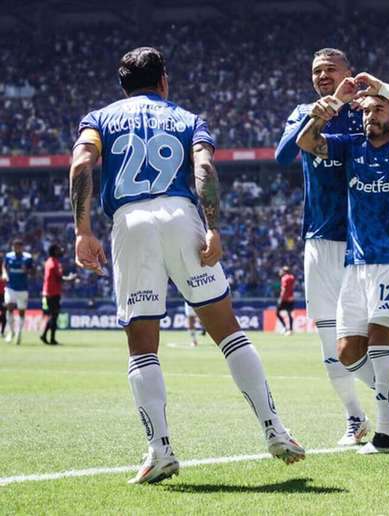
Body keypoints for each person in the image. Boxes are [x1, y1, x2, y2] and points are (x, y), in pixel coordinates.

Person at [70, 47, 305, 484]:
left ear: (122, 87)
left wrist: (82, 231)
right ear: (164, 81)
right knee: (227, 329)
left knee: (142, 345)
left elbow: (82, 161)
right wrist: (212, 227)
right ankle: (275, 429)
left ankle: (159, 450)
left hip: (130, 221)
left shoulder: (98, 117)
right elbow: (204, 167)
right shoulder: (187, 118)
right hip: (182, 215)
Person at [277, 48, 389, 446]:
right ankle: (362, 414)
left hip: (361, 240)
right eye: (316, 70)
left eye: (331, 69)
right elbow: (286, 155)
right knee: (337, 345)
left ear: (351, 73)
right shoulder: (311, 112)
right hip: (321, 238)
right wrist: (328, 106)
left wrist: (373, 99)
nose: (323, 76)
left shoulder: (372, 112)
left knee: (379, 331)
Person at [40, 244, 76, 345]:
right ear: (54, 252)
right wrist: (70, 279)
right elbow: (59, 278)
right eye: (58, 249)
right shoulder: (54, 263)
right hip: (52, 293)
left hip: (50, 292)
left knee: (53, 315)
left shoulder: (49, 262)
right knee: (54, 316)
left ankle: (45, 336)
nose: (60, 251)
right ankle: (51, 339)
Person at [3, 238, 34, 345]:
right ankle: (11, 332)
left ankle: (19, 333)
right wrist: (4, 274)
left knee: (21, 312)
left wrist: (28, 271)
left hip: (23, 289)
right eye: (14, 246)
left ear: (21, 247)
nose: (16, 248)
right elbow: (5, 266)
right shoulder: (8, 256)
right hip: (10, 287)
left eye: (18, 246)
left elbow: (33, 271)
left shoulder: (28, 257)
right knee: (9, 307)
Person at [276, 266, 295, 336]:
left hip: (284, 299)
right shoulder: (292, 277)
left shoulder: (284, 278)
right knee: (289, 314)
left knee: (277, 312)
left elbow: (284, 289)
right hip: (291, 298)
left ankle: (285, 327)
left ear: (284, 271)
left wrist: (281, 299)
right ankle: (291, 330)